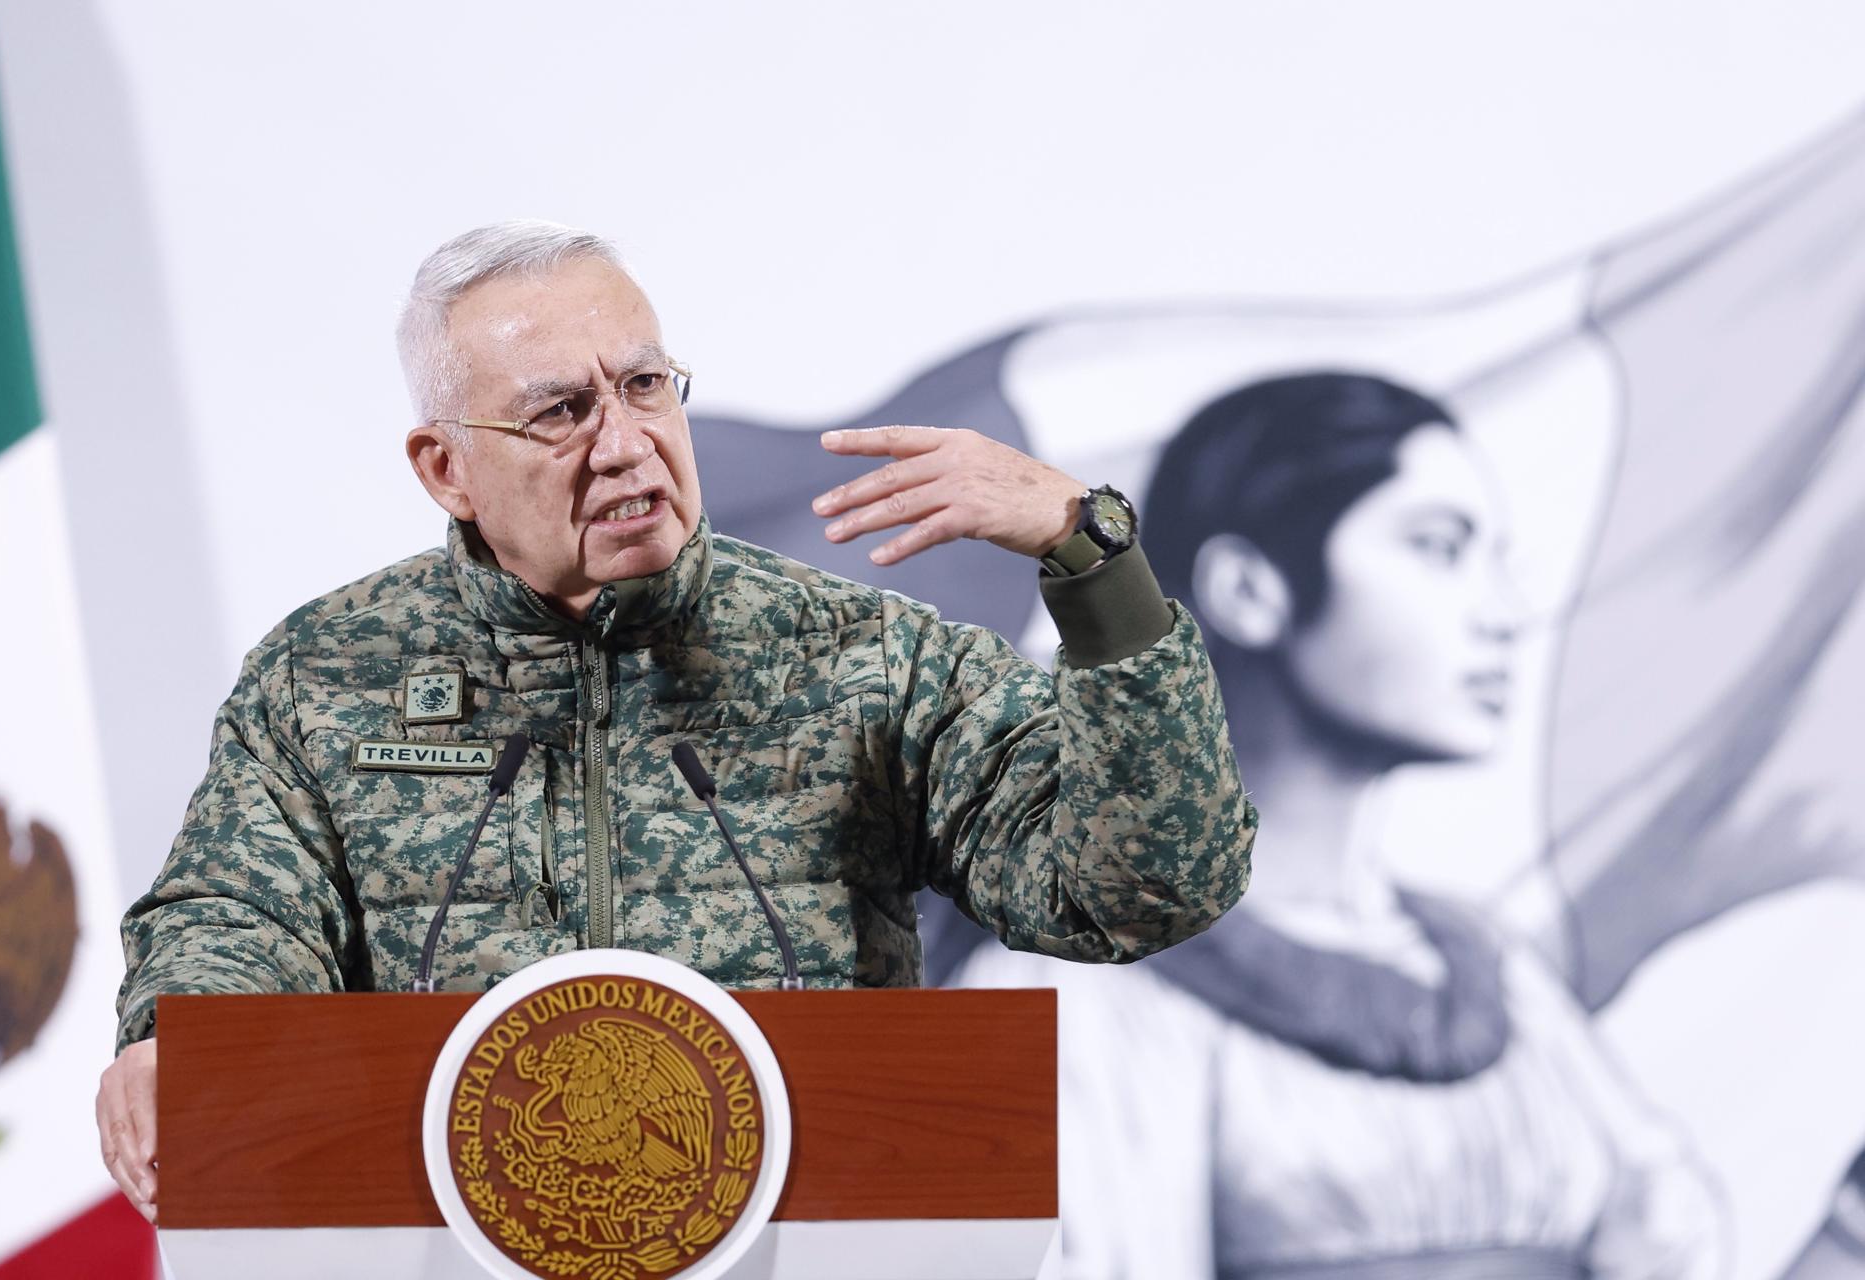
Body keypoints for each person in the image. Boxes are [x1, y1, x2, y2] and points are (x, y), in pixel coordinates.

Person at [91, 221, 1258, 1222]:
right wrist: (181, 1039)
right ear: (445, 468)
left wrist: (1092, 561)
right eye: (559, 411)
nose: (625, 442)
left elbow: (1143, 887)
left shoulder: (860, 656)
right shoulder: (329, 673)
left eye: (645, 385)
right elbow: (237, 917)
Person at [956, 372, 1722, 1277]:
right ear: (1250, 589)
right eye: (1439, 548)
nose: (1507, 614)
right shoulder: (1076, 987)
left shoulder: (1492, 970)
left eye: (1496, 558)